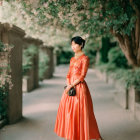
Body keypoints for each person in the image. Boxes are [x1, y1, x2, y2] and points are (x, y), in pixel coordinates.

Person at [54, 36, 103, 140]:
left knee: (83, 113)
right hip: (70, 87)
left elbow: (82, 76)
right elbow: (68, 74)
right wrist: (68, 84)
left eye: (75, 44)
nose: (73, 46)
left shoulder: (85, 59)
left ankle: (93, 136)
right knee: (69, 112)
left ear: (81, 45)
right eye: (71, 45)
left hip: (79, 88)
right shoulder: (72, 59)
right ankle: (72, 135)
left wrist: (71, 85)